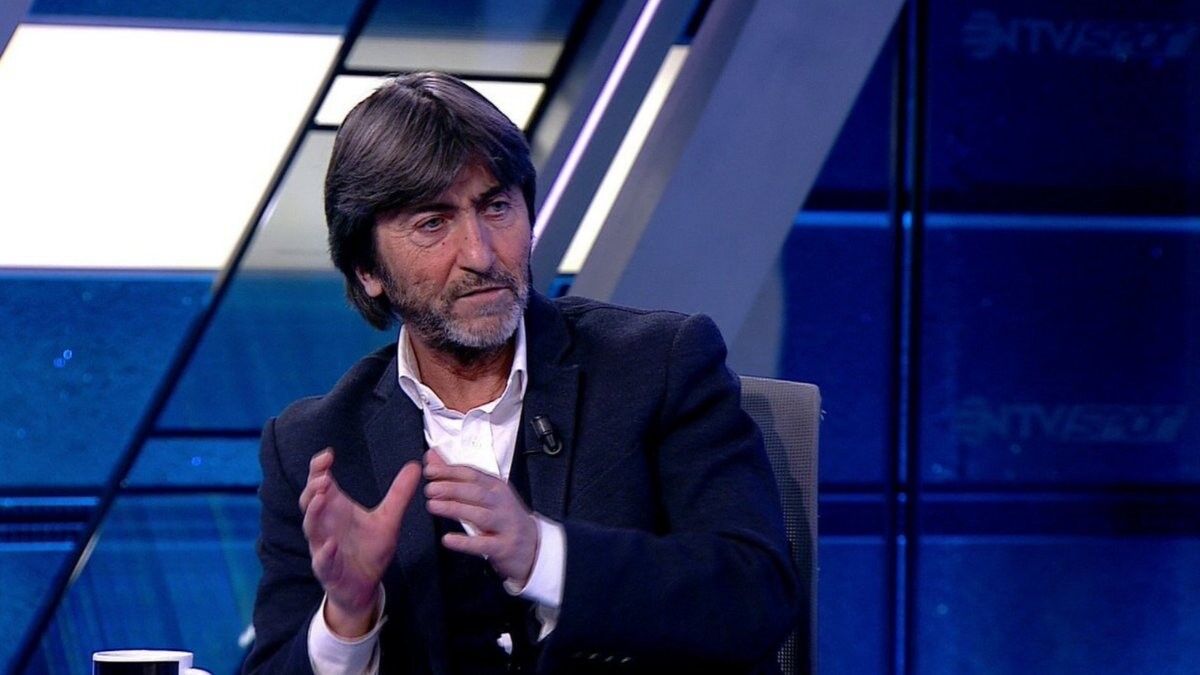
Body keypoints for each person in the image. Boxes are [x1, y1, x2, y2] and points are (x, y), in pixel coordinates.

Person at [245, 72, 801, 675]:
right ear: (367, 270)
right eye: (433, 223)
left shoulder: (658, 365)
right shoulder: (314, 447)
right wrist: (347, 616)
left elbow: (756, 595)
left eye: (496, 207)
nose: (481, 254)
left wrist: (544, 556)